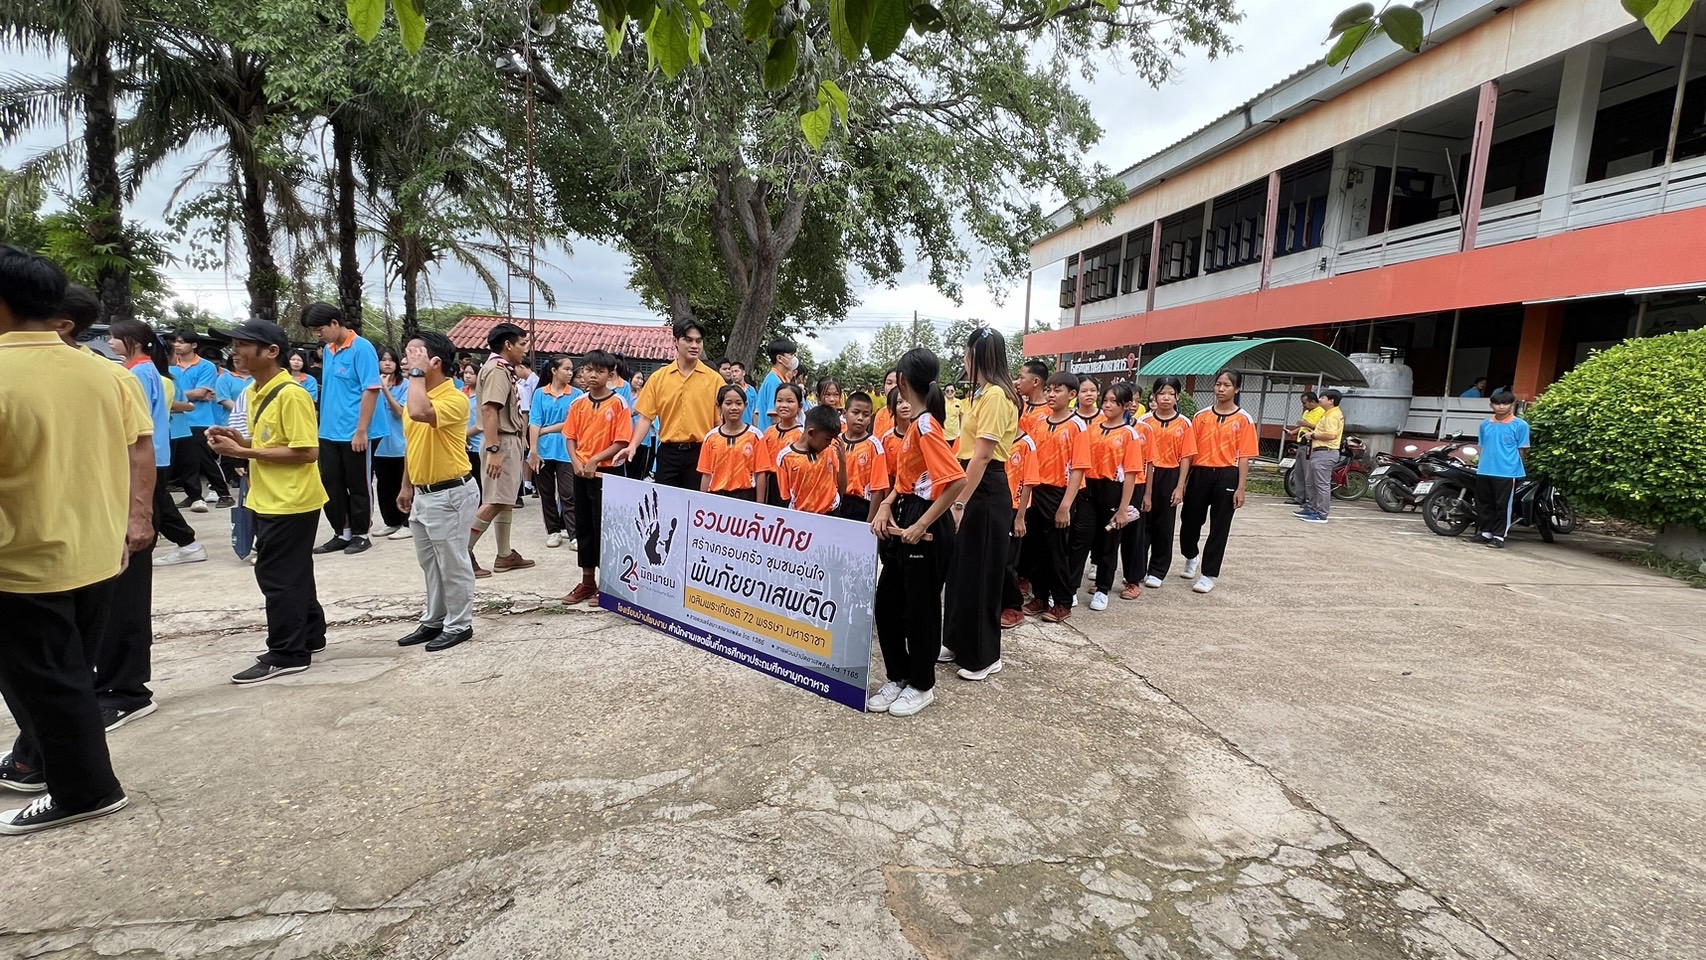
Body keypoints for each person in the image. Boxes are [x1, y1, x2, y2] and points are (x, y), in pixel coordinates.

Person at [0, 245, 149, 834]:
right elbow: (135, 450)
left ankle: (85, 790)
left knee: (47, 684)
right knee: (66, 678)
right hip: (96, 552)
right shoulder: (103, 373)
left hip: (22, 560)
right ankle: (48, 768)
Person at [46, 289, 161, 733]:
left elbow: (141, 448)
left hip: (110, 509)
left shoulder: (112, 376)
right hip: (54, 516)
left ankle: (124, 691)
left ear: (63, 325)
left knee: (120, 606)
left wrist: (139, 515)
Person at [205, 320, 329, 683]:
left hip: (290, 500)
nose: (235, 351)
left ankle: (287, 652)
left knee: (277, 577)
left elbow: (307, 451)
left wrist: (244, 452)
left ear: (272, 351)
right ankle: (309, 634)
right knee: (293, 572)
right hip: (270, 497)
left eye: (244, 344)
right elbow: (271, 441)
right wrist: (237, 439)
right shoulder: (256, 390)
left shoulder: (291, 394)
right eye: (234, 345)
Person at [867, 348, 965, 718]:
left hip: (925, 521)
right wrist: (887, 504)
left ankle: (922, 685)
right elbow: (906, 479)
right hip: (905, 513)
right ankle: (899, 675)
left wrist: (922, 523)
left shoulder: (926, 426)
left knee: (920, 608)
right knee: (888, 603)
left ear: (903, 382)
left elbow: (956, 480)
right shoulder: (916, 424)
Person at [941, 326, 1020, 681]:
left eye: (966, 354)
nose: (963, 360)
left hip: (984, 488)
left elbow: (984, 456)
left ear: (978, 356)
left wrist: (959, 503)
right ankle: (956, 640)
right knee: (960, 570)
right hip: (969, 480)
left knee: (982, 573)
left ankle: (985, 656)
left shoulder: (997, 396)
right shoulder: (980, 394)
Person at [394, 331, 481, 652]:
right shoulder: (415, 394)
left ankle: (459, 624)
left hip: (451, 493)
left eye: (414, 354)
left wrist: (416, 374)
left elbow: (420, 412)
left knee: (453, 563)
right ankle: (435, 619)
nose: (407, 360)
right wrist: (407, 485)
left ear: (435, 362)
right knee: (430, 564)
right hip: (424, 493)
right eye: (407, 353)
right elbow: (412, 443)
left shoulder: (454, 399)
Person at [109, 323, 206, 574]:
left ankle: (184, 544)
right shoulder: (145, 369)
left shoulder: (138, 372)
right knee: (158, 502)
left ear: (134, 341)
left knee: (151, 506)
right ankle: (187, 543)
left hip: (146, 452)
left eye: (115, 338)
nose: (110, 342)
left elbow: (135, 416)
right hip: (156, 450)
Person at [301, 303, 387, 556]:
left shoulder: (362, 348)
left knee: (357, 482)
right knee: (331, 482)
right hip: (329, 430)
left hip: (356, 430)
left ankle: (361, 534)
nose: (318, 334)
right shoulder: (329, 350)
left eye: (320, 329)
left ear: (335, 323)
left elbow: (371, 389)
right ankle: (342, 531)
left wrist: (361, 430)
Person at [561, 350, 633, 605]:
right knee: (584, 526)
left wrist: (595, 459)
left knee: (606, 528)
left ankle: (608, 583)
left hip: (606, 473)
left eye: (600, 371)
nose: (593, 375)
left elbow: (621, 441)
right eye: (589, 370)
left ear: (610, 375)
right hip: (581, 472)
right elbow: (570, 437)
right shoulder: (578, 403)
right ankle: (587, 580)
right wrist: (576, 461)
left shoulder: (618, 403)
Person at [1178, 369, 1258, 595]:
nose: (1221, 389)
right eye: (1218, 384)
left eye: (1227, 385)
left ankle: (1208, 574)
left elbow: (1245, 456)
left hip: (1227, 473)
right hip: (1200, 473)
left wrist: (1241, 487)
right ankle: (1191, 555)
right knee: (1189, 521)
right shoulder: (1201, 417)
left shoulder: (1244, 419)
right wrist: (1182, 483)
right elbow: (1189, 452)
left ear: (1237, 389)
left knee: (1220, 526)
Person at [467, 323, 536, 577]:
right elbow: (490, 410)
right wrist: (494, 449)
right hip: (501, 441)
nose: (525, 350)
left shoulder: (502, 369)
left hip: (508, 440)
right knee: (495, 500)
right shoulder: (497, 370)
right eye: (522, 344)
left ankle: (504, 555)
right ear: (508, 345)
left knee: (504, 499)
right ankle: (462, 551)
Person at [1023, 372, 1092, 623]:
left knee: (1057, 551)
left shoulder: (1077, 426)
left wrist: (1065, 505)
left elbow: (1079, 468)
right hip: (1037, 491)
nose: (1051, 395)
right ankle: (1040, 596)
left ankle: (1062, 601)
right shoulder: (1040, 423)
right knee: (1036, 548)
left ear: (1072, 394)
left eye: (1058, 390)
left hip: (1060, 494)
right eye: (1049, 389)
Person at [621, 320, 720, 489]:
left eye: (698, 341)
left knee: (696, 502)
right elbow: (645, 418)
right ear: (675, 341)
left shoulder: (715, 380)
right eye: (688, 340)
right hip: (668, 453)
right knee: (665, 501)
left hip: (701, 453)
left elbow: (719, 424)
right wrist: (633, 445)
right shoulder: (658, 378)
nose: (694, 345)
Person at [1085, 382, 1150, 610]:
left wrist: (1123, 508)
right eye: (1105, 400)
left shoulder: (1129, 434)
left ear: (1126, 405)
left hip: (1113, 490)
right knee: (1084, 538)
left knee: (1108, 540)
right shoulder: (1092, 429)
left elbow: (1131, 473)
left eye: (1114, 401)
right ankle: (1070, 589)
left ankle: (1102, 589)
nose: (1108, 405)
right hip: (1089, 489)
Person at [1137, 378, 1195, 588]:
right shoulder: (1144, 422)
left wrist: (1180, 486)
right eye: (1161, 393)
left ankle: (1158, 570)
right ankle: (1138, 568)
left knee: (1164, 524)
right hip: (1146, 474)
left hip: (1170, 475)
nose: (1166, 398)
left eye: (1171, 393)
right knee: (1142, 523)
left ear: (1177, 396)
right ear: (1154, 396)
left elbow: (1186, 457)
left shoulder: (1184, 423)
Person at [169, 329, 234, 509]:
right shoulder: (170, 366)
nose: (177, 345)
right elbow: (194, 394)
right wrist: (193, 395)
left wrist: (179, 397)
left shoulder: (206, 366)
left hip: (200, 419)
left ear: (194, 345)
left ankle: (224, 493)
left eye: (181, 341)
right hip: (178, 419)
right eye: (175, 341)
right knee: (186, 461)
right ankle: (194, 496)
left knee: (205, 458)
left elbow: (200, 392)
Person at [529, 357, 579, 549]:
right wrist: (533, 450)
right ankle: (553, 531)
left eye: (571, 369)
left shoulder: (577, 394)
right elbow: (534, 421)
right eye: (566, 369)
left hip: (567, 450)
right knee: (546, 493)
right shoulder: (540, 393)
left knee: (569, 494)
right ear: (554, 371)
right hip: (543, 450)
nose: (570, 373)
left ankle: (574, 534)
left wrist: (545, 429)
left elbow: (571, 424)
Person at [1475, 390, 1530, 548]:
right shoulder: (1485, 424)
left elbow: (1522, 449)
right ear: (1491, 405)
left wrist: (1517, 468)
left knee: (1503, 505)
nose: (1500, 407)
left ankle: (1499, 536)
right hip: (1485, 470)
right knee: (1484, 503)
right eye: (1497, 403)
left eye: (1505, 403)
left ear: (1512, 405)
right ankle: (1486, 532)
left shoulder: (1520, 425)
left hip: (1507, 472)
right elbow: (1483, 446)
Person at [999, 425, 1040, 629]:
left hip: (1014, 509)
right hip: (994, 505)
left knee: (1007, 562)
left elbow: (1029, 482)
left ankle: (1014, 606)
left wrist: (1020, 517)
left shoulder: (1026, 443)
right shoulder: (992, 438)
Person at [698, 385, 769, 502]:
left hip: (746, 496)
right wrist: (702, 502)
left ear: (745, 405)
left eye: (738, 403)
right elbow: (706, 474)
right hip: (717, 496)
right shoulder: (711, 438)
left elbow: (760, 473)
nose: (734, 407)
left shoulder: (755, 436)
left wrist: (759, 505)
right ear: (719, 407)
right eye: (728, 403)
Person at [371, 345, 410, 539]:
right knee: (384, 486)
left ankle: (407, 522)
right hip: (379, 445)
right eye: (383, 359)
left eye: (391, 360)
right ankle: (391, 522)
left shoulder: (405, 385)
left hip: (399, 445)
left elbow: (400, 412)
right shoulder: (370, 384)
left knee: (402, 484)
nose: (387, 363)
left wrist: (385, 389)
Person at [775, 405, 844, 514]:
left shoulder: (830, 451)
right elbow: (784, 497)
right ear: (811, 432)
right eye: (827, 439)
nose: (829, 443)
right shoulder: (786, 457)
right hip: (801, 516)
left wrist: (842, 460)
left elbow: (842, 488)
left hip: (831, 513)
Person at [834, 391, 888, 522]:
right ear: (845, 413)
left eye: (866, 415)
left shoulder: (874, 445)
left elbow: (878, 488)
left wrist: (870, 520)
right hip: (835, 502)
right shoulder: (834, 442)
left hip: (861, 506)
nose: (860, 418)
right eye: (855, 412)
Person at [1295, 389, 1343, 525]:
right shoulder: (1328, 413)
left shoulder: (1332, 415)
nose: (1320, 399)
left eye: (1323, 398)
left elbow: (1331, 435)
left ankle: (1321, 514)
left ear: (1331, 401)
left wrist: (1313, 435)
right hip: (1318, 451)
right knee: (1311, 482)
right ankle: (1312, 508)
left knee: (1321, 484)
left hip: (1326, 452)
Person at [759, 383, 805, 507]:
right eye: (779, 401)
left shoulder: (802, 435)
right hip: (770, 483)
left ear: (799, 406)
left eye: (790, 401)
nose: (784, 405)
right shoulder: (769, 432)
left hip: (791, 485)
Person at [752, 338, 798, 432]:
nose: (793, 358)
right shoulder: (774, 382)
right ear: (779, 358)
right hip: (773, 435)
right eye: (791, 354)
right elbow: (776, 417)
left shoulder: (780, 379)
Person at [1015, 360, 1051, 438]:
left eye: (1021, 378)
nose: (1017, 382)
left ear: (1035, 382)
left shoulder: (1051, 411)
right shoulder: (1018, 406)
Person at [729, 360, 759, 427]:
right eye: (732, 372)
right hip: (734, 427)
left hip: (749, 426)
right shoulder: (729, 391)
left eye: (736, 371)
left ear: (743, 373)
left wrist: (756, 427)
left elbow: (755, 410)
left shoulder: (751, 390)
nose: (734, 374)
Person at [872, 368, 899, 438]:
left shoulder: (910, 412)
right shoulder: (881, 414)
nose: (893, 386)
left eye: (897, 383)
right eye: (889, 383)